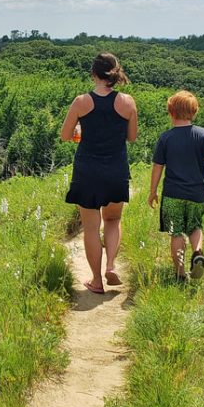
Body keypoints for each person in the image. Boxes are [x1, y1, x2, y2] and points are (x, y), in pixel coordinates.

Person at [60, 52, 138, 294]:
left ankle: (96, 280)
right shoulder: (128, 102)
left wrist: (82, 129)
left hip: (88, 171)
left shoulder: (81, 102)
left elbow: (65, 135)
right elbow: (132, 137)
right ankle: (112, 265)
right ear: (115, 75)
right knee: (113, 220)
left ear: (93, 74)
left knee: (91, 227)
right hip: (116, 169)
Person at [147, 91, 204, 280]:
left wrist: (153, 191)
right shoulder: (202, 135)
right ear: (194, 113)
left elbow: (157, 166)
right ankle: (198, 252)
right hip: (196, 193)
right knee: (195, 226)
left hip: (172, 194)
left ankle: (179, 273)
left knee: (176, 232)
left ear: (171, 112)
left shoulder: (166, 138)